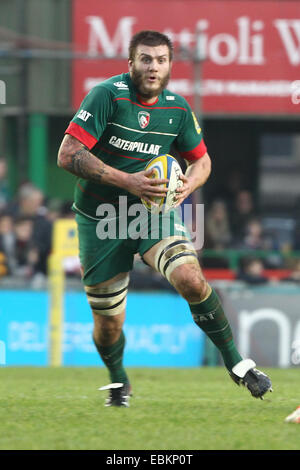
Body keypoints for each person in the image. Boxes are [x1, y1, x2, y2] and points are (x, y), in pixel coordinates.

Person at [57, 30, 272, 407]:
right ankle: (118, 380)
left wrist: (188, 185)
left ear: (170, 65)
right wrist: (129, 180)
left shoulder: (177, 108)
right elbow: (67, 154)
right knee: (109, 325)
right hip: (100, 218)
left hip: (150, 212)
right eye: (145, 59)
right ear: (131, 64)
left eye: (160, 60)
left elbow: (202, 160)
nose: (152, 66)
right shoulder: (107, 96)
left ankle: (238, 364)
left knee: (190, 276)